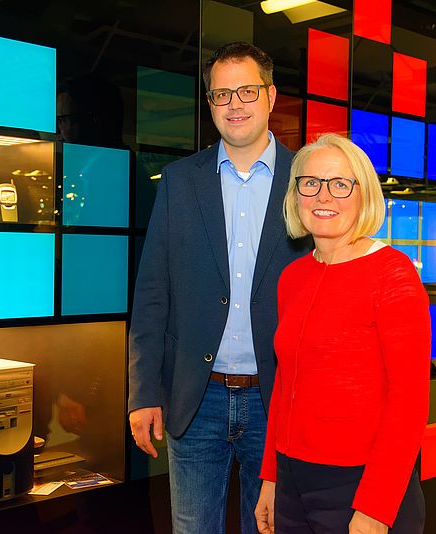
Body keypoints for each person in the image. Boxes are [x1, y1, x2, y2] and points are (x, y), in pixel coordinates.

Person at [128, 42, 309, 533]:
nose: (234, 104)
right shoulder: (179, 181)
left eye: (246, 91)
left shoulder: (306, 179)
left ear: (271, 96)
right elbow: (152, 293)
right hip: (195, 398)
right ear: (209, 102)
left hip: (278, 399)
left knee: (269, 528)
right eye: (221, 94)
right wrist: (143, 392)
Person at [255, 133, 431, 534]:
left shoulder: (393, 273)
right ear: (295, 195)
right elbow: (285, 384)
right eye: (310, 183)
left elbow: (408, 402)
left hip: (361, 486)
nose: (323, 196)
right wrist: (271, 477)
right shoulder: (292, 277)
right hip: (292, 481)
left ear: (362, 193)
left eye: (339, 184)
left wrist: (376, 508)